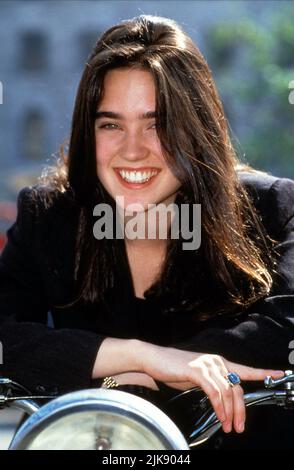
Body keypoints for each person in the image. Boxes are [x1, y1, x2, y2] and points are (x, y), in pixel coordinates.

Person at [0, 15, 293, 449]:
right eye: (111, 124)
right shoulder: (49, 216)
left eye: (157, 124)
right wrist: (146, 358)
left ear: (196, 130)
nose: (132, 150)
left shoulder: (272, 208)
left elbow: (282, 330)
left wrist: (121, 372)